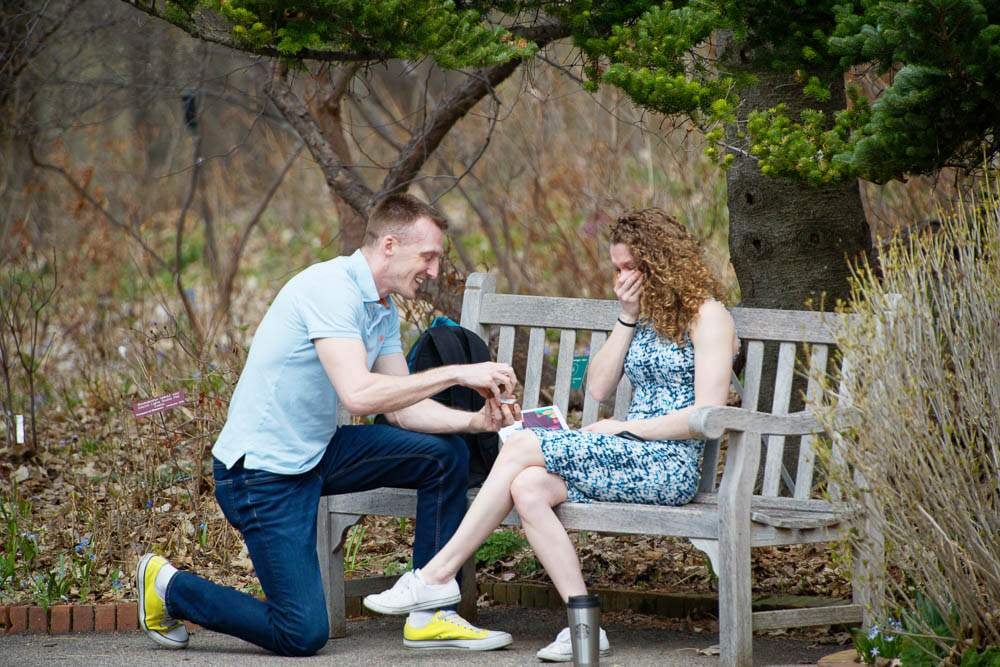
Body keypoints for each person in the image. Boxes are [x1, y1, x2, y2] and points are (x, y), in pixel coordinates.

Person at [135, 194, 521, 656]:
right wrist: (460, 373)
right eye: (429, 256)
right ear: (391, 245)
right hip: (260, 476)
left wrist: (475, 421)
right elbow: (358, 393)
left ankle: (430, 608)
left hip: (316, 454)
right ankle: (169, 587)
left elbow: (402, 411)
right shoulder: (330, 289)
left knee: (443, 454)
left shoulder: (381, 307)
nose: (435, 270)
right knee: (301, 633)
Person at [364, 207, 739, 661]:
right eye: (616, 268)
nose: (621, 277)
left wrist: (626, 428)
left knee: (522, 443)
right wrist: (626, 316)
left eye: (628, 268)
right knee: (528, 486)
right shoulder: (646, 317)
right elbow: (598, 388)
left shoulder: (708, 316)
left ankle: (434, 576)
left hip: (666, 463)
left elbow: (707, 414)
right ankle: (584, 622)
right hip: (625, 454)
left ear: (658, 261)